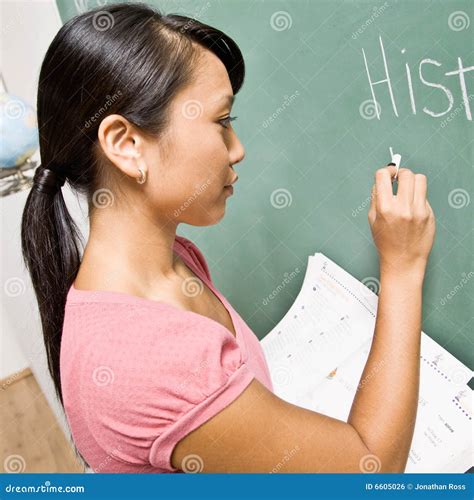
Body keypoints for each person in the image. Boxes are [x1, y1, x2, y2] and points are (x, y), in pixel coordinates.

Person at [21, 3, 436, 473]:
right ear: (127, 143)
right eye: (221, 122)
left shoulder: (175, 260)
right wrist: (403, 267)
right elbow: (370, 471)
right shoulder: (148, 358)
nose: (237, 150)